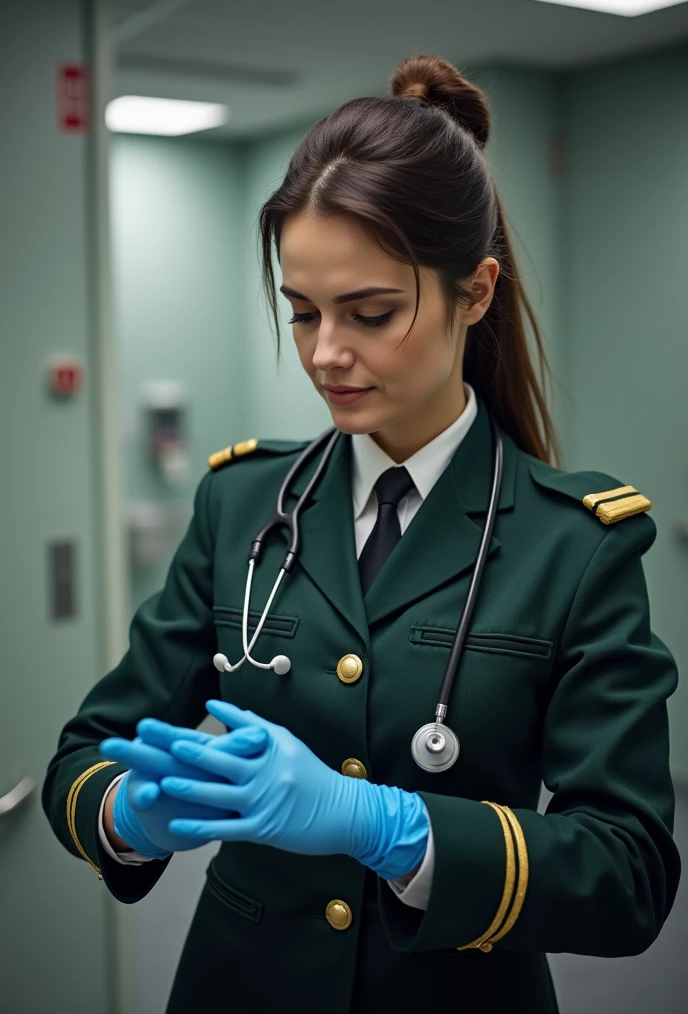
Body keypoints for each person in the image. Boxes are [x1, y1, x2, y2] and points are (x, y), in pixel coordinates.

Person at [42, 54, 681, 1014]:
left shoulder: (577, 544)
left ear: (476, 292)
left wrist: (392, 825)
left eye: (370, 312)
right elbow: (83, 757)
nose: (326, 353)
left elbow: (629, 872)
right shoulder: (239, 505)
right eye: (302, 313)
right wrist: (130, 813)